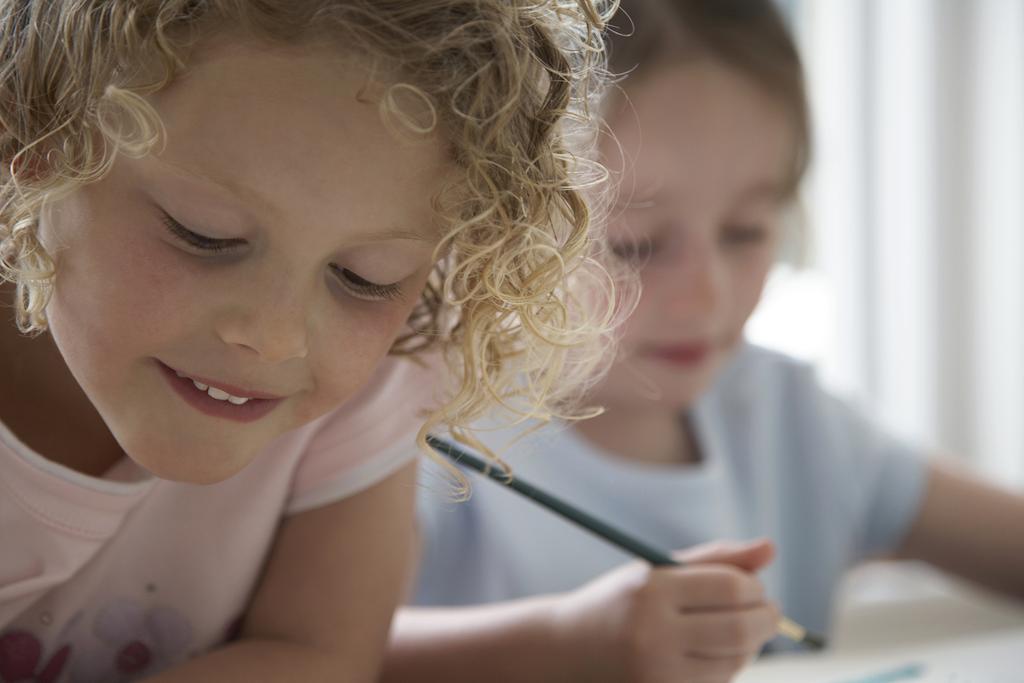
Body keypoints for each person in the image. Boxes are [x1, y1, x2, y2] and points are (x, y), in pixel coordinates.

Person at [384, 1, 1024, 681]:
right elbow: (331, 651)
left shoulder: (795, 417)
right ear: (492, 230)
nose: (706, 296)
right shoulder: (429, 436)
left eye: (746, 231)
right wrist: (568, 641)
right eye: (636, 245)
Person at [0, 1, 618, 680]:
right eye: (205, 234)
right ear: (36, 151)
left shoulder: (385, 365)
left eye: (363, 277)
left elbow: (319, 652)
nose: (274, 337)